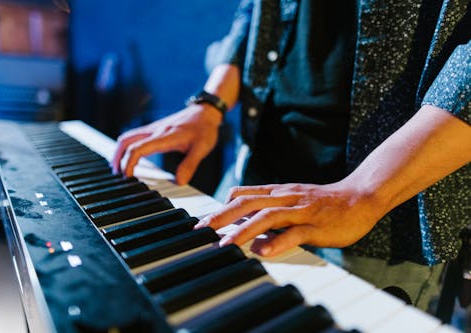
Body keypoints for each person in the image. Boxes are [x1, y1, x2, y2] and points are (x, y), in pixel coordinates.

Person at [112, 0, 470, 313]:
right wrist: (210, 103)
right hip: (253, 179)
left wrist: (366, 190)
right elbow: (257, 11)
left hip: (383, 212)